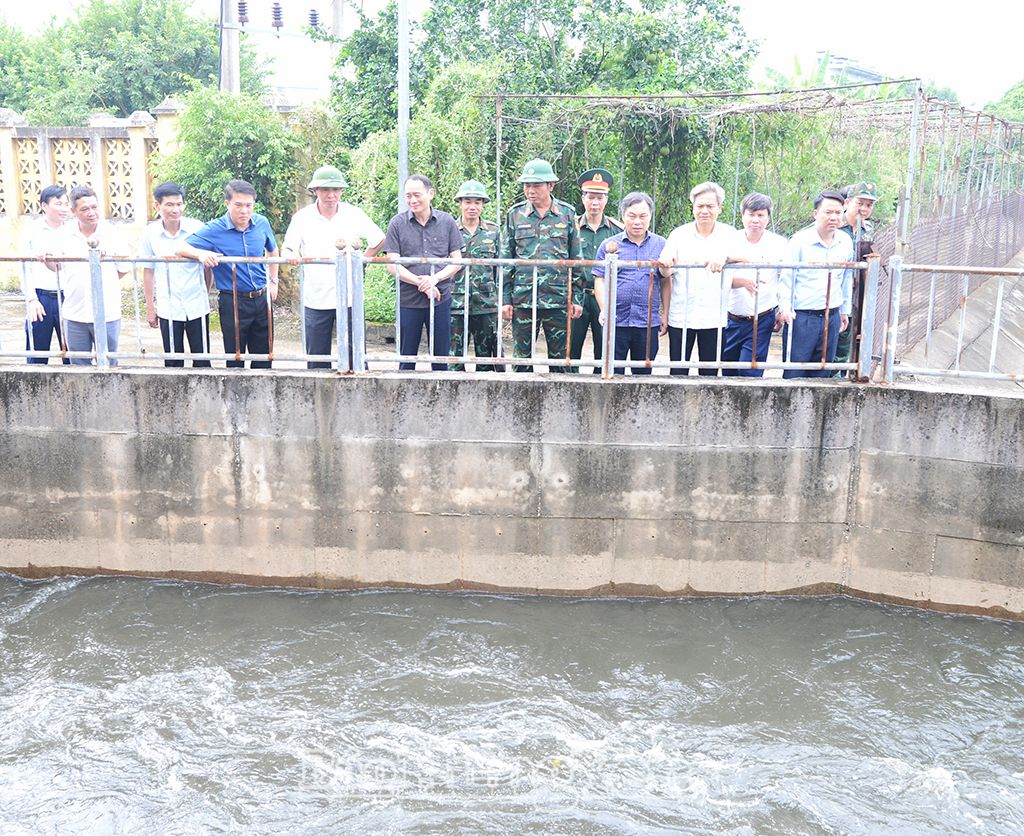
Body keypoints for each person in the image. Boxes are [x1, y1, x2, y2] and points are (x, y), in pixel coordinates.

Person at [281, 165, 385, 369]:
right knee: (317, 359)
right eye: (325, 190)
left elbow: (379, 239)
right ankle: (319, 398)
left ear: (342, 191)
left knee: (355, 356)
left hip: (349, 295)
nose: (331, 195)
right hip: (317, 296)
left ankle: (358, 396)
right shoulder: (302, 218)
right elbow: (288, 247)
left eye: (335, 190)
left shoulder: (353, 214)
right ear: (315, 191)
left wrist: (361, 262)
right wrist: (290, 254)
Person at [178, 179, 279, 369]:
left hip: (262, 298)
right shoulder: (214, 229)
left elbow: (273, 251)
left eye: (249, 205)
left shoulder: (261, 223)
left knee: (265, 357)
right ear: (227, 203)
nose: (244, 211)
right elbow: (181, 247)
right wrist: (201, 254)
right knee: (235, 358)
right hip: (233, 300)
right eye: (238, 205)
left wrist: (273, 281)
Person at [500, 158, 583, 373]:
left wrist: (577, 298)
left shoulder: (567, 214)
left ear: (550, 186)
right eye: (527, 185)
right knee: (521, 362)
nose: (530, 190)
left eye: (536, 185)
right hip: (524, 300)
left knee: (560, 364)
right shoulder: (515, 215)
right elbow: (505, 261)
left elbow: (577, 259)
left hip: (558, 300)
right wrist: (505, 300)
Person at [658, 182, 742, 376]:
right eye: (699, 206)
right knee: (678, 372)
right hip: (681, 316)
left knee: (710, 374)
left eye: (710, 206)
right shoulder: (679, 234)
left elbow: (745, 256)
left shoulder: (729, 234)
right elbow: (664, 272)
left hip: (714, 317)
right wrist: (665, 264)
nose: (704, 210)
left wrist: (725, 257)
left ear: (720, 208)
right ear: (693, 208)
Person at [382, 174, 464, 371]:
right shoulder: (397, 223)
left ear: (430, 193)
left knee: (440, 358)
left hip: (440, 299)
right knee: (406, 358)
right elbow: (392, 264)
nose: (413, 200)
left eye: (417, 195)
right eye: (408, 196)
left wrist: (434, 279)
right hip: (408, 301)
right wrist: (421, 283)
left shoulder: (447, 221)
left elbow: (457, 260)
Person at [46, 186, 130, 366]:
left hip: (107, 312)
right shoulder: (63, 234)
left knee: (109, 362)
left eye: (94, 207)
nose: (91, 212)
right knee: (79, 364)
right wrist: (45, 259)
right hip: (75, 311)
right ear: (73, 211)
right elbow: (56, 267)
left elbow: (123, 269)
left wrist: (102, 283)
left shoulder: (113, 233)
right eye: (84, 209)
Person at [778, 190, 854, 379]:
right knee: (795, 373)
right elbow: (787, 277)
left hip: (831, 316)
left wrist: (844, 311)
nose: (834, 217)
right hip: (802, 317)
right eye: (828, 212)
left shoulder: (845, 242)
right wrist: (785, 308)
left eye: (838, 212)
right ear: (815, 214)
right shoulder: (799, 241)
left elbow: (846, 278)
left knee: (822, 372)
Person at [592, 192, 667, 375]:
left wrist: (665, 314)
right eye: (632, 216)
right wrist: (604, 308)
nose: (637, 222)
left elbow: (666, 281)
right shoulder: (608, 244)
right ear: (623, 215)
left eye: (643, 216)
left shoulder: (661, 245)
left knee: (643, 375)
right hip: (615, 320)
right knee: (611, 373)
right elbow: (599, 278)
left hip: (647, 322)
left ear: (650, 216)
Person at [140, 182, 211, 368]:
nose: (175, 209)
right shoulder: (150, 234)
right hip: (168, 306)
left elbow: (207, 267)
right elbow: (148, 271)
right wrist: (150, 307)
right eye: (169, 205)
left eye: (179, 204)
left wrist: (205, 291)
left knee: (203, 359)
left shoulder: (198, 229)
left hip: (197, 304)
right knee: (172, 361)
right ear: (157, 206)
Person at [721, 192, 789, 377]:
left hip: (762, 318)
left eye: (761, 215)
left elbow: (785, 279)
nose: (755, 220)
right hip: (731, 317)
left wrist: (783, 309)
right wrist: (743, 282)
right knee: (728, 372)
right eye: (751, 214)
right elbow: (720, 279)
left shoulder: (779, 244)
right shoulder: (729, 240)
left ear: (768, 217)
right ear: (742, 216)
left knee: (750, 372)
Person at [570, 168, 623, 373]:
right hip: (577, 295)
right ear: (583, 198)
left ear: (606, 200)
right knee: (571, 351)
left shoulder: (616, 230)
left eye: (600, 197)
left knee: (605, 350)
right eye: (590, 197)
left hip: (604, 297)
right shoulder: (571, 227)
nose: (595, 202)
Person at [450, 179, 503, 372]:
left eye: (477, 202)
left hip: (486, 304)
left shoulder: (494, 232)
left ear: (483, 205)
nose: (472, 207)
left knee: (486, 360)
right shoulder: (450, 229)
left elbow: (500, 269)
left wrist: (499, 300)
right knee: (454, 360)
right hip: (456, 304)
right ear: (460, 203)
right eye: (468, 202)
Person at [20, 185, 70, 364]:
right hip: (41, 298)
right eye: (58, 204)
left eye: (66, 204)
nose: (64, 208)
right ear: (44, 206)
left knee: (73, 354)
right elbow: (24, 268)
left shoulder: (73, 231)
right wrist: (31, 299)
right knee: (37, 354)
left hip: (68, 297)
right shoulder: (32, 232)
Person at [835, 180, 878, 372]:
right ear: (847, 203)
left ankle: (841, 377)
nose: (864, 208)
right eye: (859, 203)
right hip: (833, 292)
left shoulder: (867, 230)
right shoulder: (834, 226)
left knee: (848, 342)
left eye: (868, 205)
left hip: (856, 295)